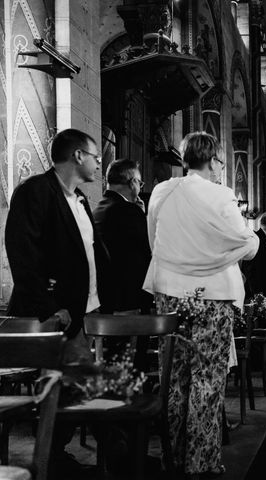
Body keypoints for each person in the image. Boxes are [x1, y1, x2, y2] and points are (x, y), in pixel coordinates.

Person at [143, 131, 259, 478]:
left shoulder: (162, 191)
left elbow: (154, 241)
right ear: (211, 160)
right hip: (213, 296)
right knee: (208, 378)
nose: (220, 167)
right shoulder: (222, 195)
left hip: (169, 292)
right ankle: (202, 461)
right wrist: (252, 238)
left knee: (174, 378)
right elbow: (244, 244)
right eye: (220, 161)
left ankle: (173, 457)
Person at [5, 128, 112, 475]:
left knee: (74, 388)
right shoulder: (35, 192)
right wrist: (50, 307)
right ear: (78, 156)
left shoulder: (79, 199)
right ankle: (119, 457)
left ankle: (55, 455)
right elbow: (23, 253)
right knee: (90, 385)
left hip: (82, 311)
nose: (99, 163)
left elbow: (88, 254)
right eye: (96, 156)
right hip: (55, 315)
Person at [93, 159, 152, 314]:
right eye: (140, 183)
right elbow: (149, 249)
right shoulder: (129, 211)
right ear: (133, 183)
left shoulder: (99, 208)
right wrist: (141, 215)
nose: (139, 188)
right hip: (129, 298)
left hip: (105, 295)